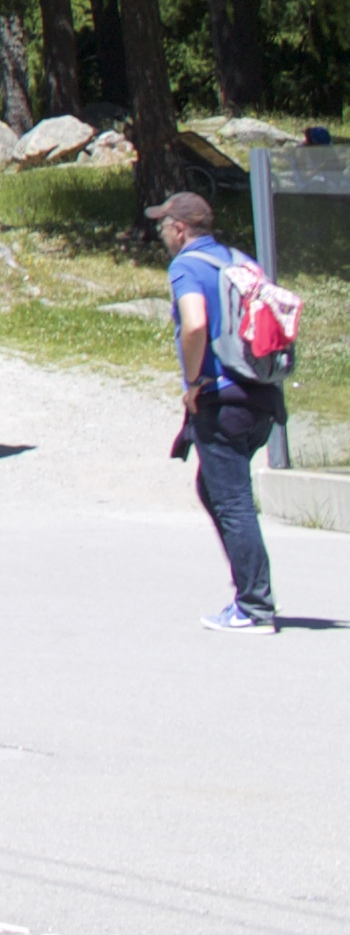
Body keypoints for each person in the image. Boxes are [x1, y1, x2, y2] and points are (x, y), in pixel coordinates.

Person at [156, 189, 285, 631]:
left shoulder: (186, 266)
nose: (161, 233)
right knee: (216, 490)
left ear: (180, 229)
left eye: (163, 225)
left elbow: (194, 323)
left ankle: (254, 607)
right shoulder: (239, 260)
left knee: (231, 501)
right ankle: (249, 596)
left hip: (221, 398)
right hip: (261, 400)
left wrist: (193, 383)